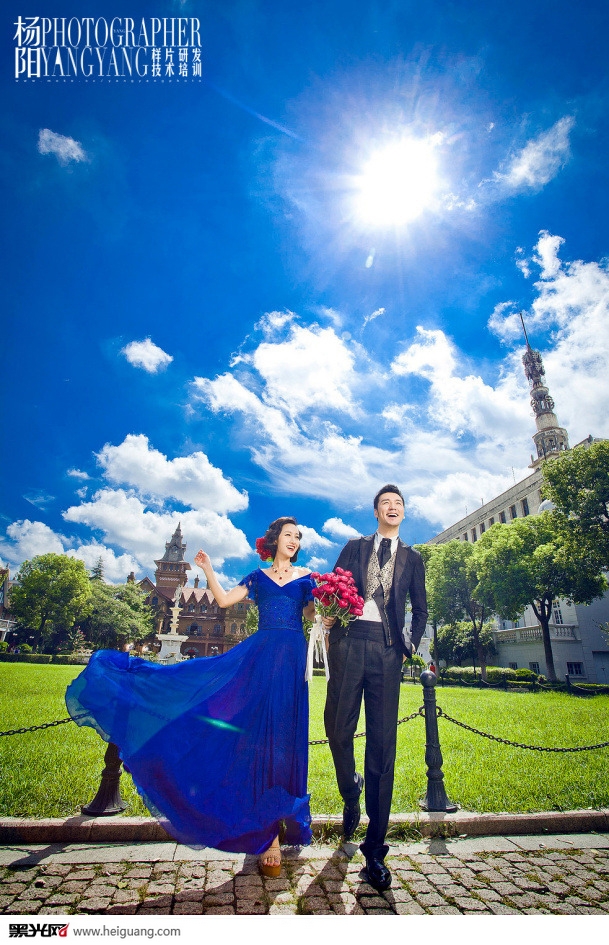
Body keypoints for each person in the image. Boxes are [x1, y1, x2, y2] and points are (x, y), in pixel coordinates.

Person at [66, 517, 315, 878]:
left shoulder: (306, 578)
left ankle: (280, 820)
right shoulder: (257, 577)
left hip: (292, 660)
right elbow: (224, 600)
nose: (294, 540)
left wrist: (330, 611)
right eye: (288, 535)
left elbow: (312, 614)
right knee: (256, 740)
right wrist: (208, 568)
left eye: (298, 537)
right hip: (259, 660)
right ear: (274, 539)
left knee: (285, 740)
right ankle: (267, 835)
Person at [323, 485, 428, 892]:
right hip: (349, 643)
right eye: (386, 503)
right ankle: (350, 790)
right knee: (338, 729)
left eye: (398, 503)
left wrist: (407, 647)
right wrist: (329, 616)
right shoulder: (354, 547)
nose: (392, 507)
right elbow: (332, 586)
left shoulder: (413, 559)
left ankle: (374, 850)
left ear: (403, 512)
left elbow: (420, 609)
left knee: (383, 745)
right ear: (376, 511)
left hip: (387, 651)